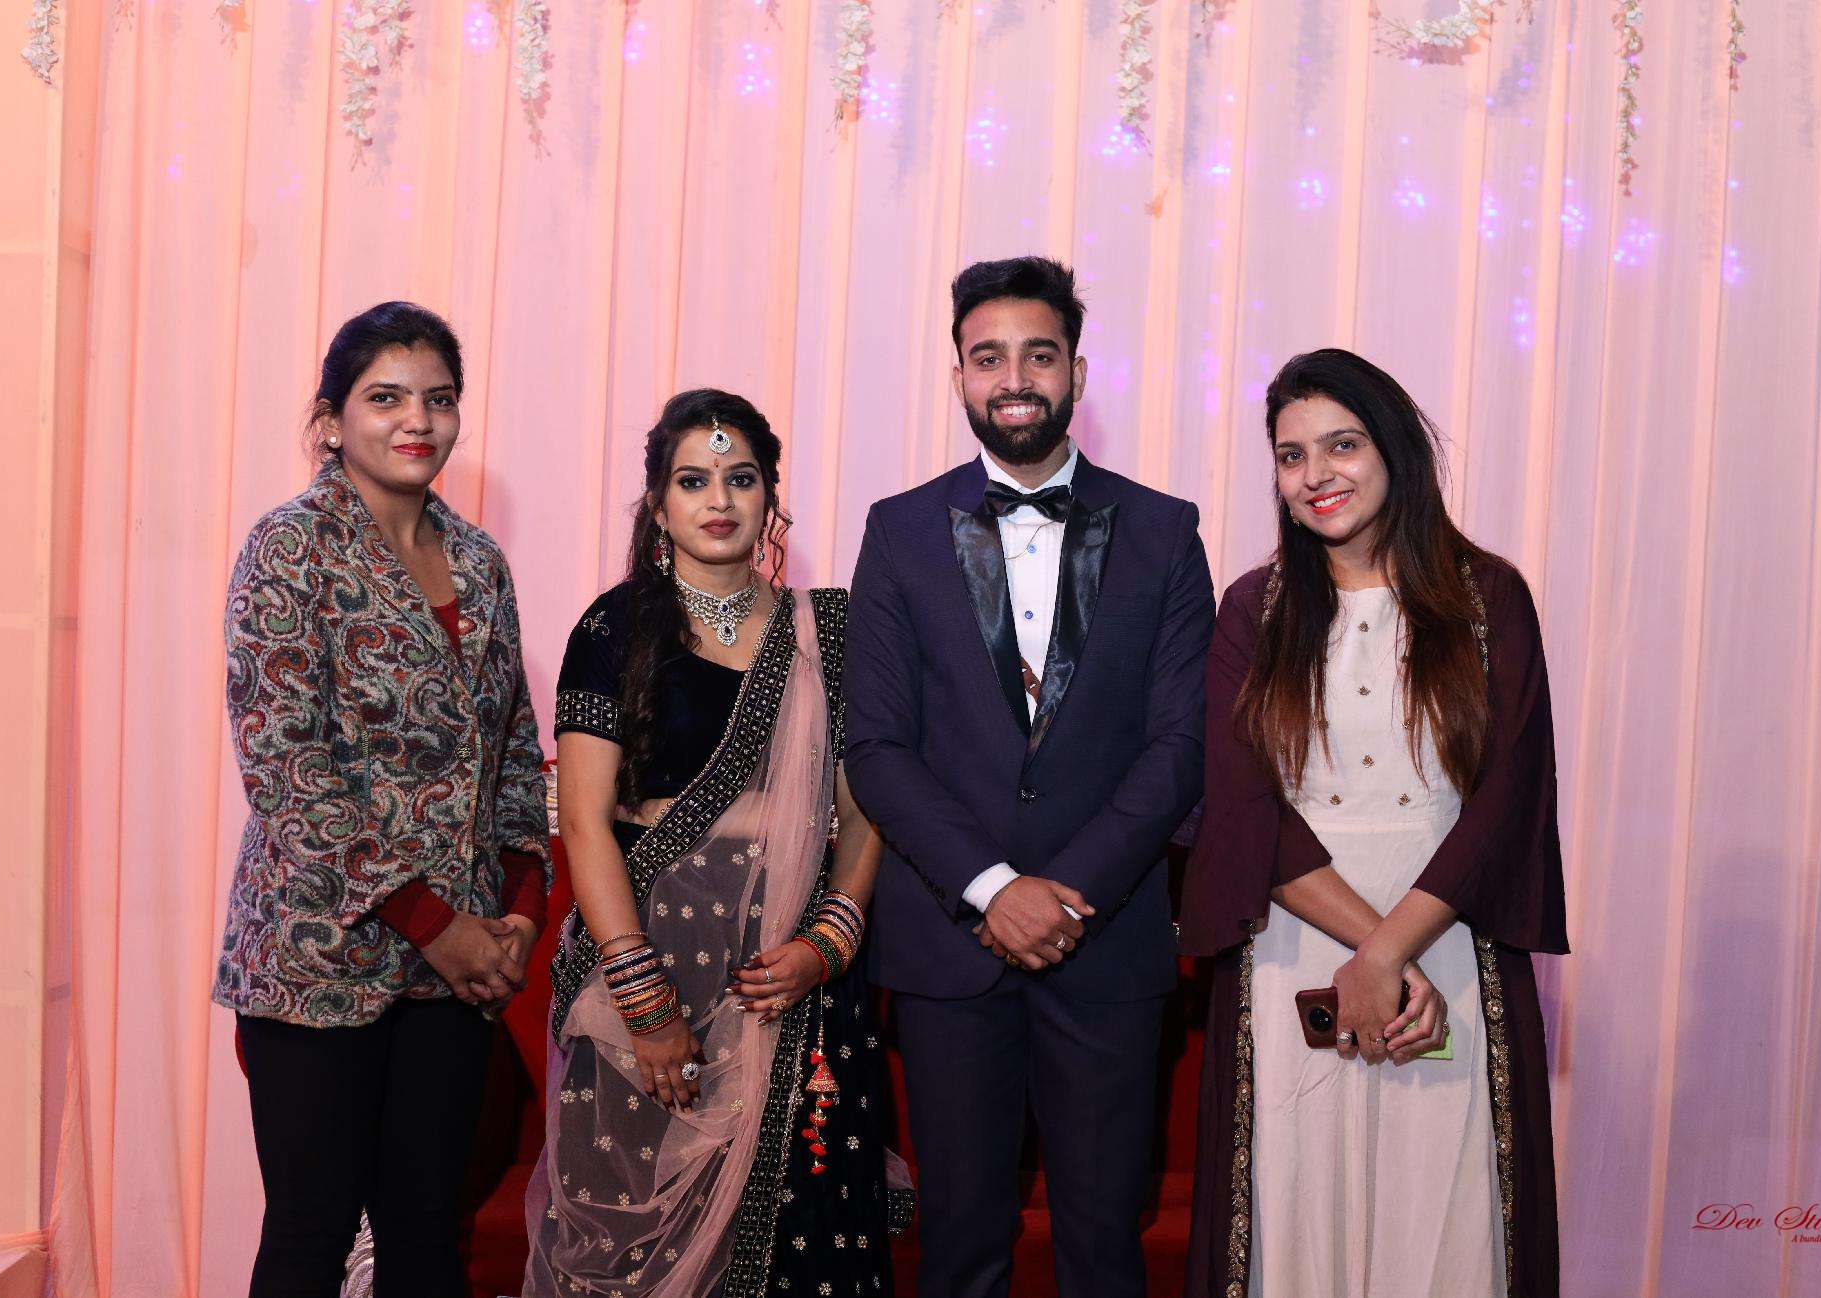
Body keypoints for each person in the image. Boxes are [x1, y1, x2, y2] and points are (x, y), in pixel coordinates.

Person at [844, 256, 1213, 1298]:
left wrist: (1066, 892)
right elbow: (877, 746)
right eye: (988, 356)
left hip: (1109, 944)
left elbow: (1180, 746)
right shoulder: (898, 529)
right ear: (959, 375)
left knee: (1105, 1245)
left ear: (1077, 373)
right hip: (949, 947)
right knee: (960, 1244)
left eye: (1038, 355)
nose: (1014, 378)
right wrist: (993, 888)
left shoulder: (1165, 530)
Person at [1179, 348, 1569, 1297]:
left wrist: (1394, 954)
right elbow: (1244, 808)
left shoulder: (1488, 599)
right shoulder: (1254, 610)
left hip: (1449, 945)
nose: (1316, 474)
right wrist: (1375, 956)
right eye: (1291, 455)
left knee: (1441, 1209)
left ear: (1394, 447)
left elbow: (1506, 801)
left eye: (1342, 445)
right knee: (1297, 1204)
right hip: (1294, 950)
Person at [524, 388, 909, 1298]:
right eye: (693, 481)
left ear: (771, 496)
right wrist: (641, 999)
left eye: (741, 478)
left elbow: (866, 810)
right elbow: (585, 822)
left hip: (797, 984)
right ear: (659, 506)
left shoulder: (832, 633)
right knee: (629, 1252)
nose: (720, 499)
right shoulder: (613, 629)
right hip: (651, 976)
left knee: (800, 1249)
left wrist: (829, 941)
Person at [213, 301, 552, 1297]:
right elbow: (288, 767)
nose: (418, 420)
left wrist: (519, 909)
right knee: (310, 1234)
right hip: (321, 956)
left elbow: (512, 750)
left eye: (439, 399)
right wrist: (432, 923)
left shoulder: (480, 561)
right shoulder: (289, 548)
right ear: (332, 419)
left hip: (460, 968)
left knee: (428, 1238)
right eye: (387, 397)